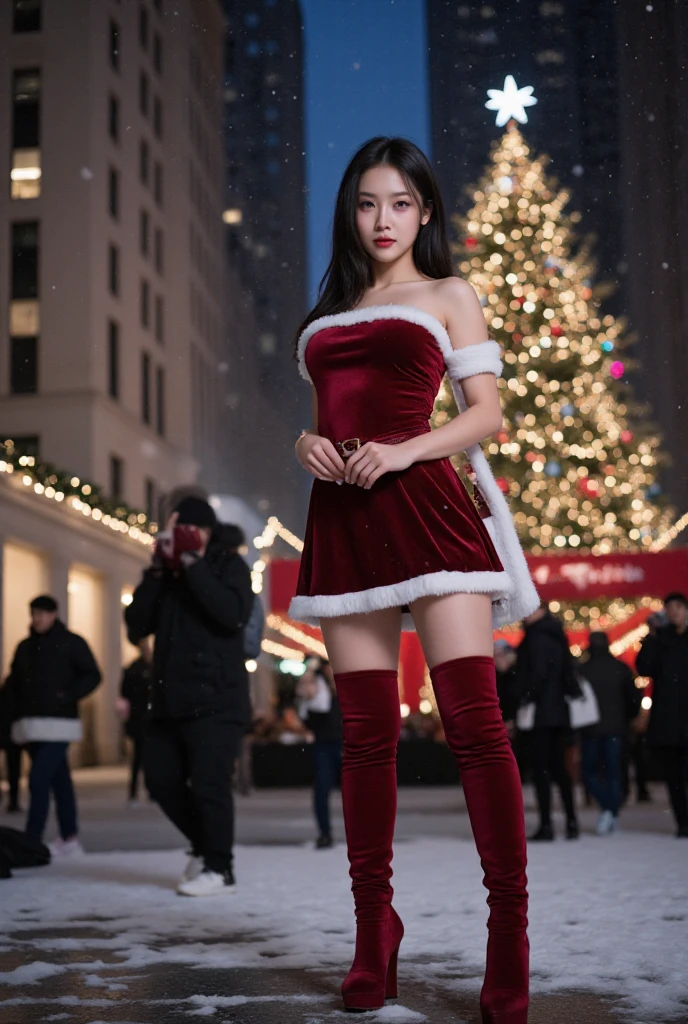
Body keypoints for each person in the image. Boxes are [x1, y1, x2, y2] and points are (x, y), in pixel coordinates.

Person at [288, 137, 539, 1021]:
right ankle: (372, 933)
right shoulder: (326, 311)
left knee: (475, 725)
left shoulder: (448, 294)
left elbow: (488, 416)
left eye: (399, 202)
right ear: (349, 212)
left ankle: (508, 937)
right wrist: (304, 444)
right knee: (364, 739)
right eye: (366, 203)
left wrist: (400, 450)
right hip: (342, 519)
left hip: (429, 506)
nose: (382, 219)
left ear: (425, 211)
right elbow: (321, 416)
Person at [125, 495, 255, 895]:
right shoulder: (166, 574)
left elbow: (231, 613)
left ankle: (221, 867)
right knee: (160, 780)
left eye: (187, 530)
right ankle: (204, 846)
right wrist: (156, 572)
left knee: (210, 785)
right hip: (167, 699)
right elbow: (135, 626)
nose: (179, 538)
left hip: (217, 697)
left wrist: (194, 565)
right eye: (173, 530)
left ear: (206, 531)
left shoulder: (229, 564)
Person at [4, 595, 101, 855]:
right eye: (34, 613)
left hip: (60, 723)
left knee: (38, 778)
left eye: (42, 614)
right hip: (30, 724)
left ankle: (31, 840)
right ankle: (69, 838)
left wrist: (67, 695)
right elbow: (12, 683)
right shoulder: (24, 647)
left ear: (54, 614)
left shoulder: (72, 643)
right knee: (60, 781)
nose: (37, 619)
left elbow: (93, 675)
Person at [516, 605, 580, 842]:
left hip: (542, 713)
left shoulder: (536, 636)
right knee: (560, 770)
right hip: (559, 712)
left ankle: (547, 825)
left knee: (542, 771)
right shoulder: (556, 634)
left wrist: (527, 696)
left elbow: (537, 674)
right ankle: (571, 822)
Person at [577, 632, 641, 835]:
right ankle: (611, 810)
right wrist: (628, 719)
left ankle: (608, 809)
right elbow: (634, 699)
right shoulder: (620, 669)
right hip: (615, 728)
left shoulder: (583, 670)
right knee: (614, 773)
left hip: (591, 729)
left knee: (590, 773)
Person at [636, 592, 688, 837]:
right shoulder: (661, 639)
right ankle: (683, 822)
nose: (675, 611)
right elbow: (644, 666)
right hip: (668, 719)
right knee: (674, 776)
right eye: (670, 608)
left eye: (679, 607)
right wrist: (651, 637)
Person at [296, 657, 343, 849]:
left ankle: (363, 833)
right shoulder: (315, 688)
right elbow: (308, 713)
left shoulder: (342, 686)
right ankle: (324, 832)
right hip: (324, 743)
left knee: (354, 789)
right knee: (322, 790)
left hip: (343, 742)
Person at [117, 638, 153, 805]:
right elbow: (125, 692)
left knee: (149, 758)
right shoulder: (134, 669)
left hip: (149, 719)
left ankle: (150, 790)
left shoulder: (153, 668)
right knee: (139, 758)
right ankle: (134, 792)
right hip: (140, 719)